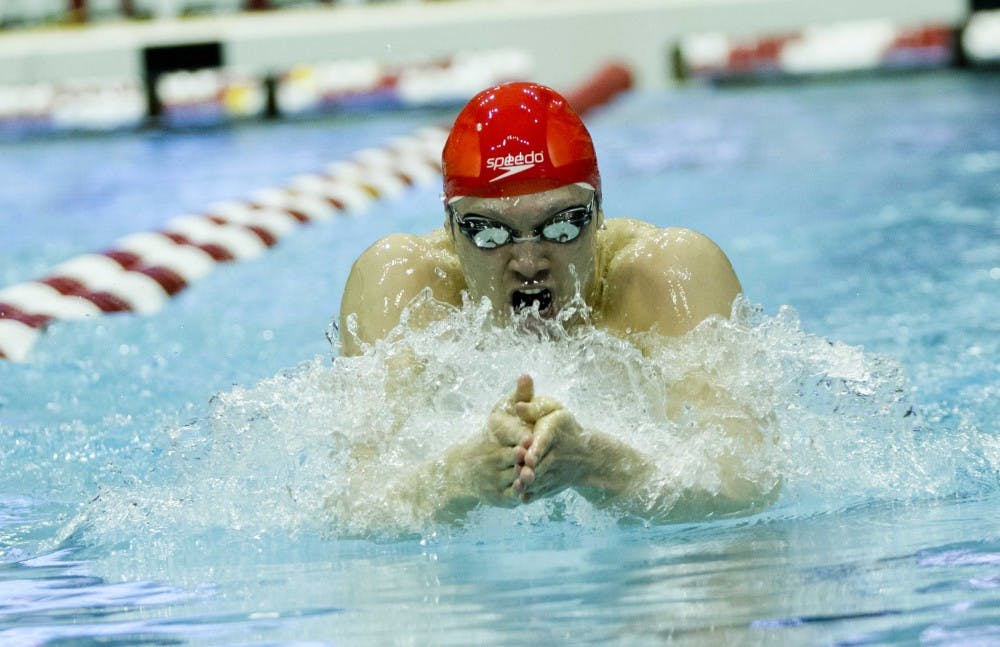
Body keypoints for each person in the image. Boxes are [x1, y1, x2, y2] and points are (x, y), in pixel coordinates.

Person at [338, 82, 776, 523]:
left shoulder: (668, 274)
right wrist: (459, 478)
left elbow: (750, 485)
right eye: (489, 232)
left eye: (561, 226)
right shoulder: (404, 285)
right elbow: (352, 507)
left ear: (599, 210)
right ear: (451, 229)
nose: (528, 263)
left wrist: (600, 465)